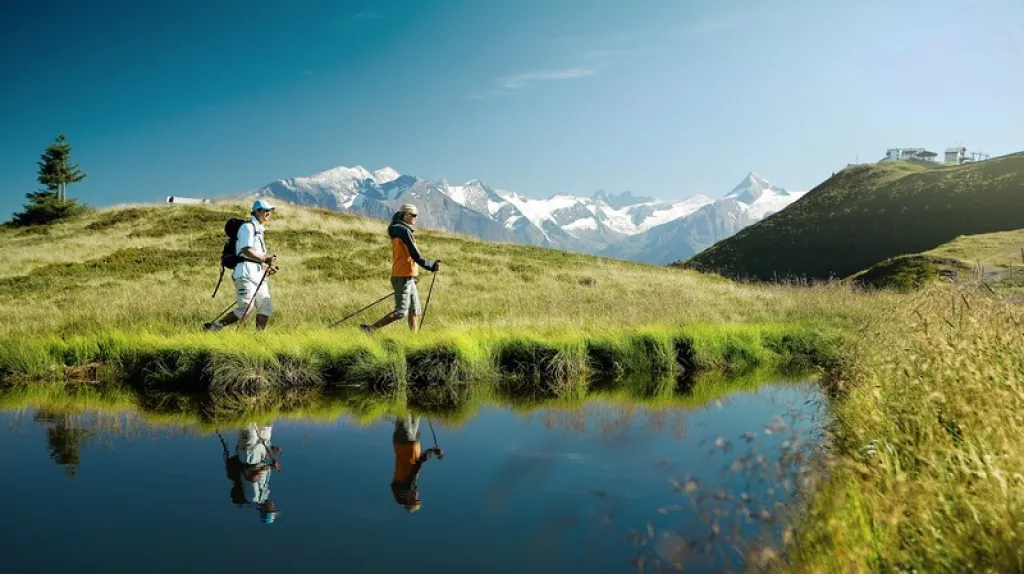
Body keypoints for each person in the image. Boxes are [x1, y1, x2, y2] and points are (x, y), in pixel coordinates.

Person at [361, 204, 440, 334]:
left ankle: (413, 339)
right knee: (401, 312)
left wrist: (412, 276)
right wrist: (431, 266)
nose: (416, 218)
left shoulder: (400, 230)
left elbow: (407, 256)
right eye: (414, 215)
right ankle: (370, 330)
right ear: (406, 215)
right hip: (403, 275)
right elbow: (415, 255)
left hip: (405, 275)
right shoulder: (404, 231)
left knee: (415, 309)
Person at [205, 199, 278, 331]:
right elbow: (246, 250)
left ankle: (259, 338)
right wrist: (265, 259)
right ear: (257, 211)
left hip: (257, 275)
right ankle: (216, 327)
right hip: (245, 273)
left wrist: (267, 268)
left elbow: (254, 257)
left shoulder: (259, 230)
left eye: (269, 211)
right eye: (265, 210)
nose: (268, 213)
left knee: (265, 307)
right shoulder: (248, 227)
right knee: (246, 307)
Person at [221, 423, 282, 524]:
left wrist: (270, 467)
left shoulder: (253, 497)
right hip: (259, 452)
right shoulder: (265, 494)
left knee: (248, 423)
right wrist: (273, 451)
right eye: (273, 509)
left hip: (248, 454)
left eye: (271, 510)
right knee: (267, 423)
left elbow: (252, 477)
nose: (273, 506)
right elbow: (261, 467)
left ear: (263, 510)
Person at [390, 414, 443, 513]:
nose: (417, 496)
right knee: (415, 410)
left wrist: (432, 451)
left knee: (405, 411)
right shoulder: (411, 485)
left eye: (416, 500)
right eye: (418, 499)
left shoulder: (406, 487)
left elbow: (417, 465)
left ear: (409, 500)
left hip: (404, 441)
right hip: (411, 441)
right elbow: (417, 462)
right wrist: (431, 451)